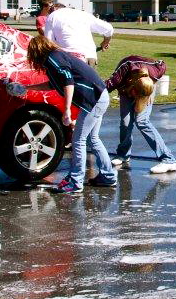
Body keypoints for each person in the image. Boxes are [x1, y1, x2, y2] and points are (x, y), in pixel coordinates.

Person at [22, 34, 115, 194]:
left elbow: (68, 82)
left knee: (78, 140)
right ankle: (108, 176)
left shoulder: (53, 58)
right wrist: (27, 88)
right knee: (92, 139)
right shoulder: (56, 58)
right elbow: (53, 84)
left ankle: (75, 181)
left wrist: (66, 111)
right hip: (99, 96)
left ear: (37, 51)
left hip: (94, 100)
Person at [105, 55, 176, 175]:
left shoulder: (156, 71)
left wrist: (149, 88)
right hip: (126, 88)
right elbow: (105, 86)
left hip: (147, 86)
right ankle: (123, 154)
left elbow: (162, 64)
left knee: (142, 121)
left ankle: (168, 159)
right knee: (126, 121)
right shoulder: (121, 75)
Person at [43, 4, 113, 68]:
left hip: (67, 58)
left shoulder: (52, 16)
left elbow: (49, 42)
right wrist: (105, 42)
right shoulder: (83, 14)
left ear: (53, 9)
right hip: (89, 56)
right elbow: (108, 29)